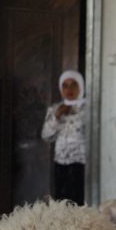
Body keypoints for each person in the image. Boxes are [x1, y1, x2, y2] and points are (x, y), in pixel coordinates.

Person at [41, 70, 87, 204]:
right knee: (62, 202)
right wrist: (56, 117)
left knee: (80, 201)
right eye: (65, 86)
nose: (69, 90)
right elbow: (46, 136)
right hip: (61, 162)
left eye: (73, 85)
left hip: (82, 162)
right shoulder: (55, 109)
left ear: (80, 87)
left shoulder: (87, 108)